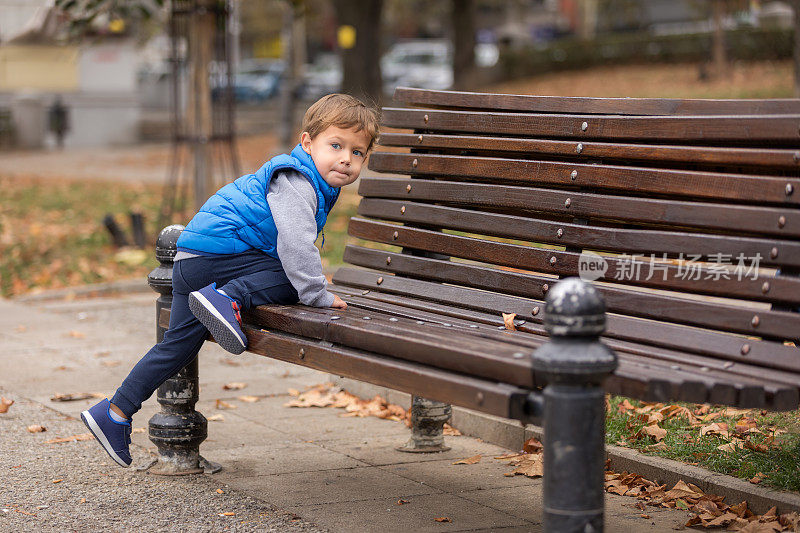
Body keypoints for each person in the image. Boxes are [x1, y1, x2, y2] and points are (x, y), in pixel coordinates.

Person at [80, 94, 380, 467]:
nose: (346, 159)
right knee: (295, 279)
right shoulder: (297, 180)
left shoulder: (312, 181)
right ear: (307, 142)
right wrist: (316, 294)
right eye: (335, 145)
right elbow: (296, 247)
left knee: (176, 348)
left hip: (194, 260)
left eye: (358, 152)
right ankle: (227, 299)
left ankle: (115, 412)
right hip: (216, 259)